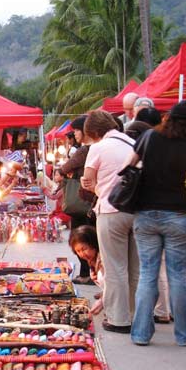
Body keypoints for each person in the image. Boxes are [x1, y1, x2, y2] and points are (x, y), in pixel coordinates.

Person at [128, 100, 186, 346]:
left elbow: (128, 165)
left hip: (145, 215)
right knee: (177, 276)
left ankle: (141, 334)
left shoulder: (148, 137)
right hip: (176, 216)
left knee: (147, 274)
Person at [81, 110, 138, 334]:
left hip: (110, 209)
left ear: (94, 132)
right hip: (137, 210)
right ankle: (136, 315)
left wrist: (95, 185)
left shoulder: (98, 148)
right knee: (135, 269)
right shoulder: (134, 143)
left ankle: (118, 318)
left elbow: (87, 180)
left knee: (114, 267)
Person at [59, 115, 94, 284]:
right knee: (92, 238)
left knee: (81, 238)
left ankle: (86, 273)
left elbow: (65, 168)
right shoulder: (95, 148)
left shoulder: (84, 151)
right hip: (92, 200)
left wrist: (67, 172)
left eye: (77, 130)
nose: (75, 134)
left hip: (82, 201)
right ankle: (92, 274)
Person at [69, 226, 104, 316]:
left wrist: (104, 299)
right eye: (78, 251)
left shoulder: (104, 259)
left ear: (93, 244)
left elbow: (115, 282)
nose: (82, 254)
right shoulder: (92, 260)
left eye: (84, 249)